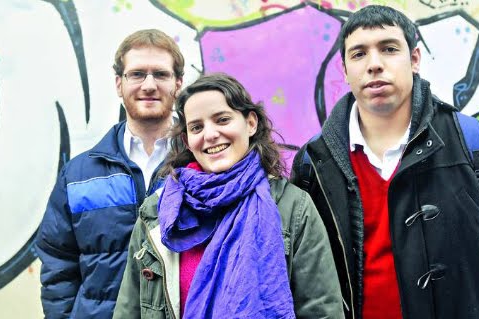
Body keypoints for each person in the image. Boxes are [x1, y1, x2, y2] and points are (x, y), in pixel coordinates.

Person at [290, 5, 479, 319]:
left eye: (389, 49)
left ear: (415, 59)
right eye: (359, 54)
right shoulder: (314, 165)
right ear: (345, 69)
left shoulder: (477, 144)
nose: (374, 64)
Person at [113, 73, 345, 319]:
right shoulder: (159, 212)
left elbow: (321, 311)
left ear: (251, 123)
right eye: (197, 127)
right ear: (187, 140)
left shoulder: (293, 208)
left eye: (222, 119)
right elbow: (129, 310)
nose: (210, 134)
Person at [35, 29, 184, 318]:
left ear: (178, 83)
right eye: (137, 74)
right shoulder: (79, 175)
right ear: (119, 83)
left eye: (161, 75)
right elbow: (58, 265)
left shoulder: (201, 166)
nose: (149, 85)